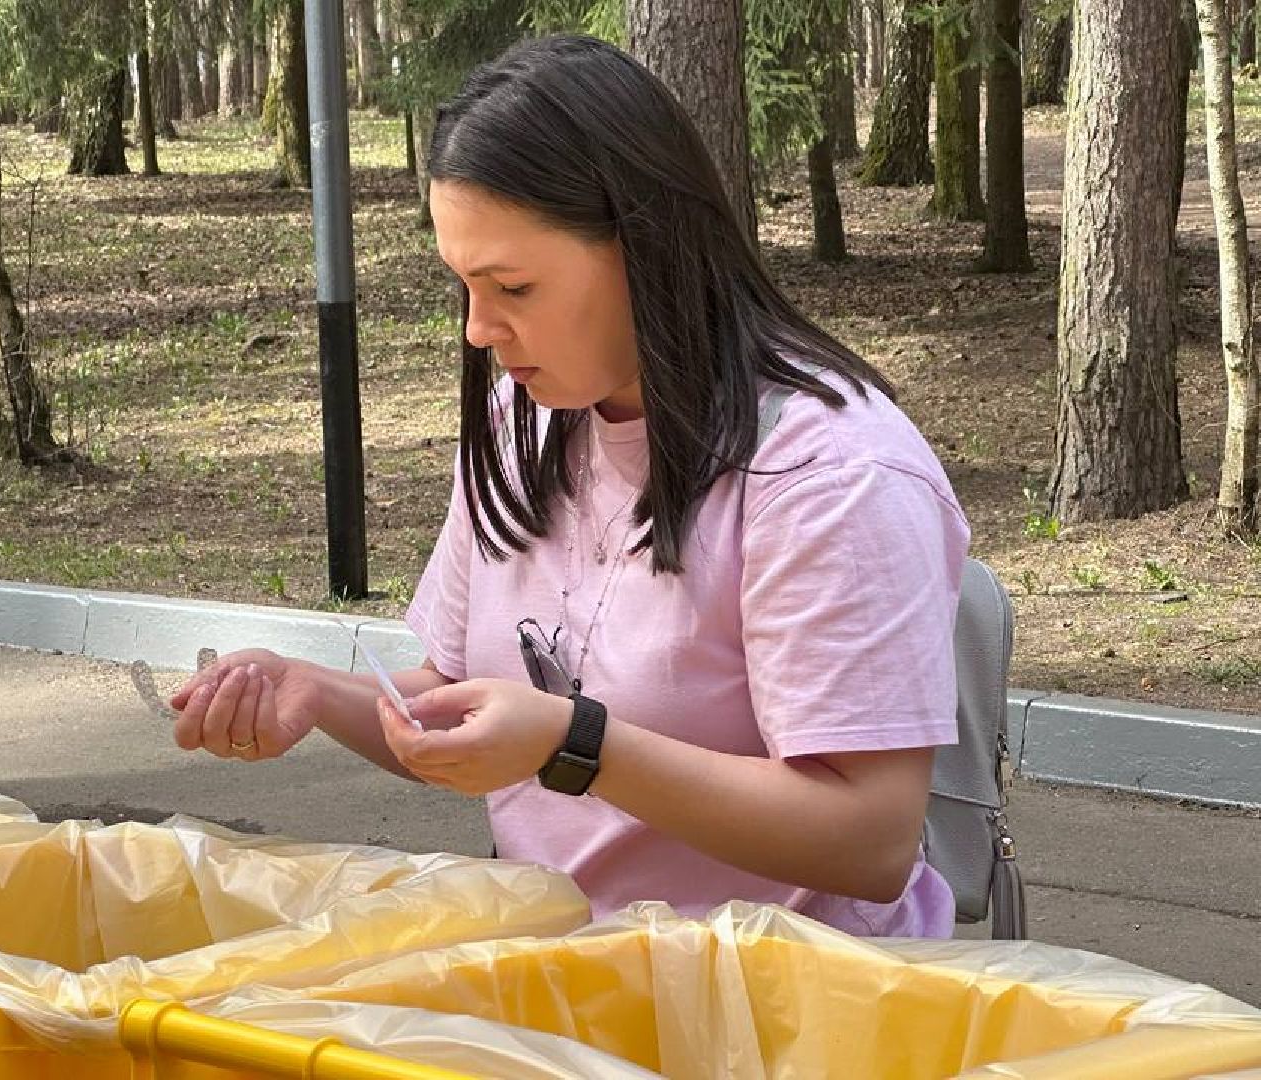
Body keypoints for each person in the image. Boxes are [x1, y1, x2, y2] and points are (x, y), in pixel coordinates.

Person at [169, 34, 969, 939]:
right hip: (565, 982)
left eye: (511, 284)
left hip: (791, 1006)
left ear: (646, 245)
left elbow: (867, 840)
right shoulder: (531, 418)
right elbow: (458, 690)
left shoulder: (831, 474)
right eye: (462, 286)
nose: (478, 330)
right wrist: (313, 690)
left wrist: (574, 744)